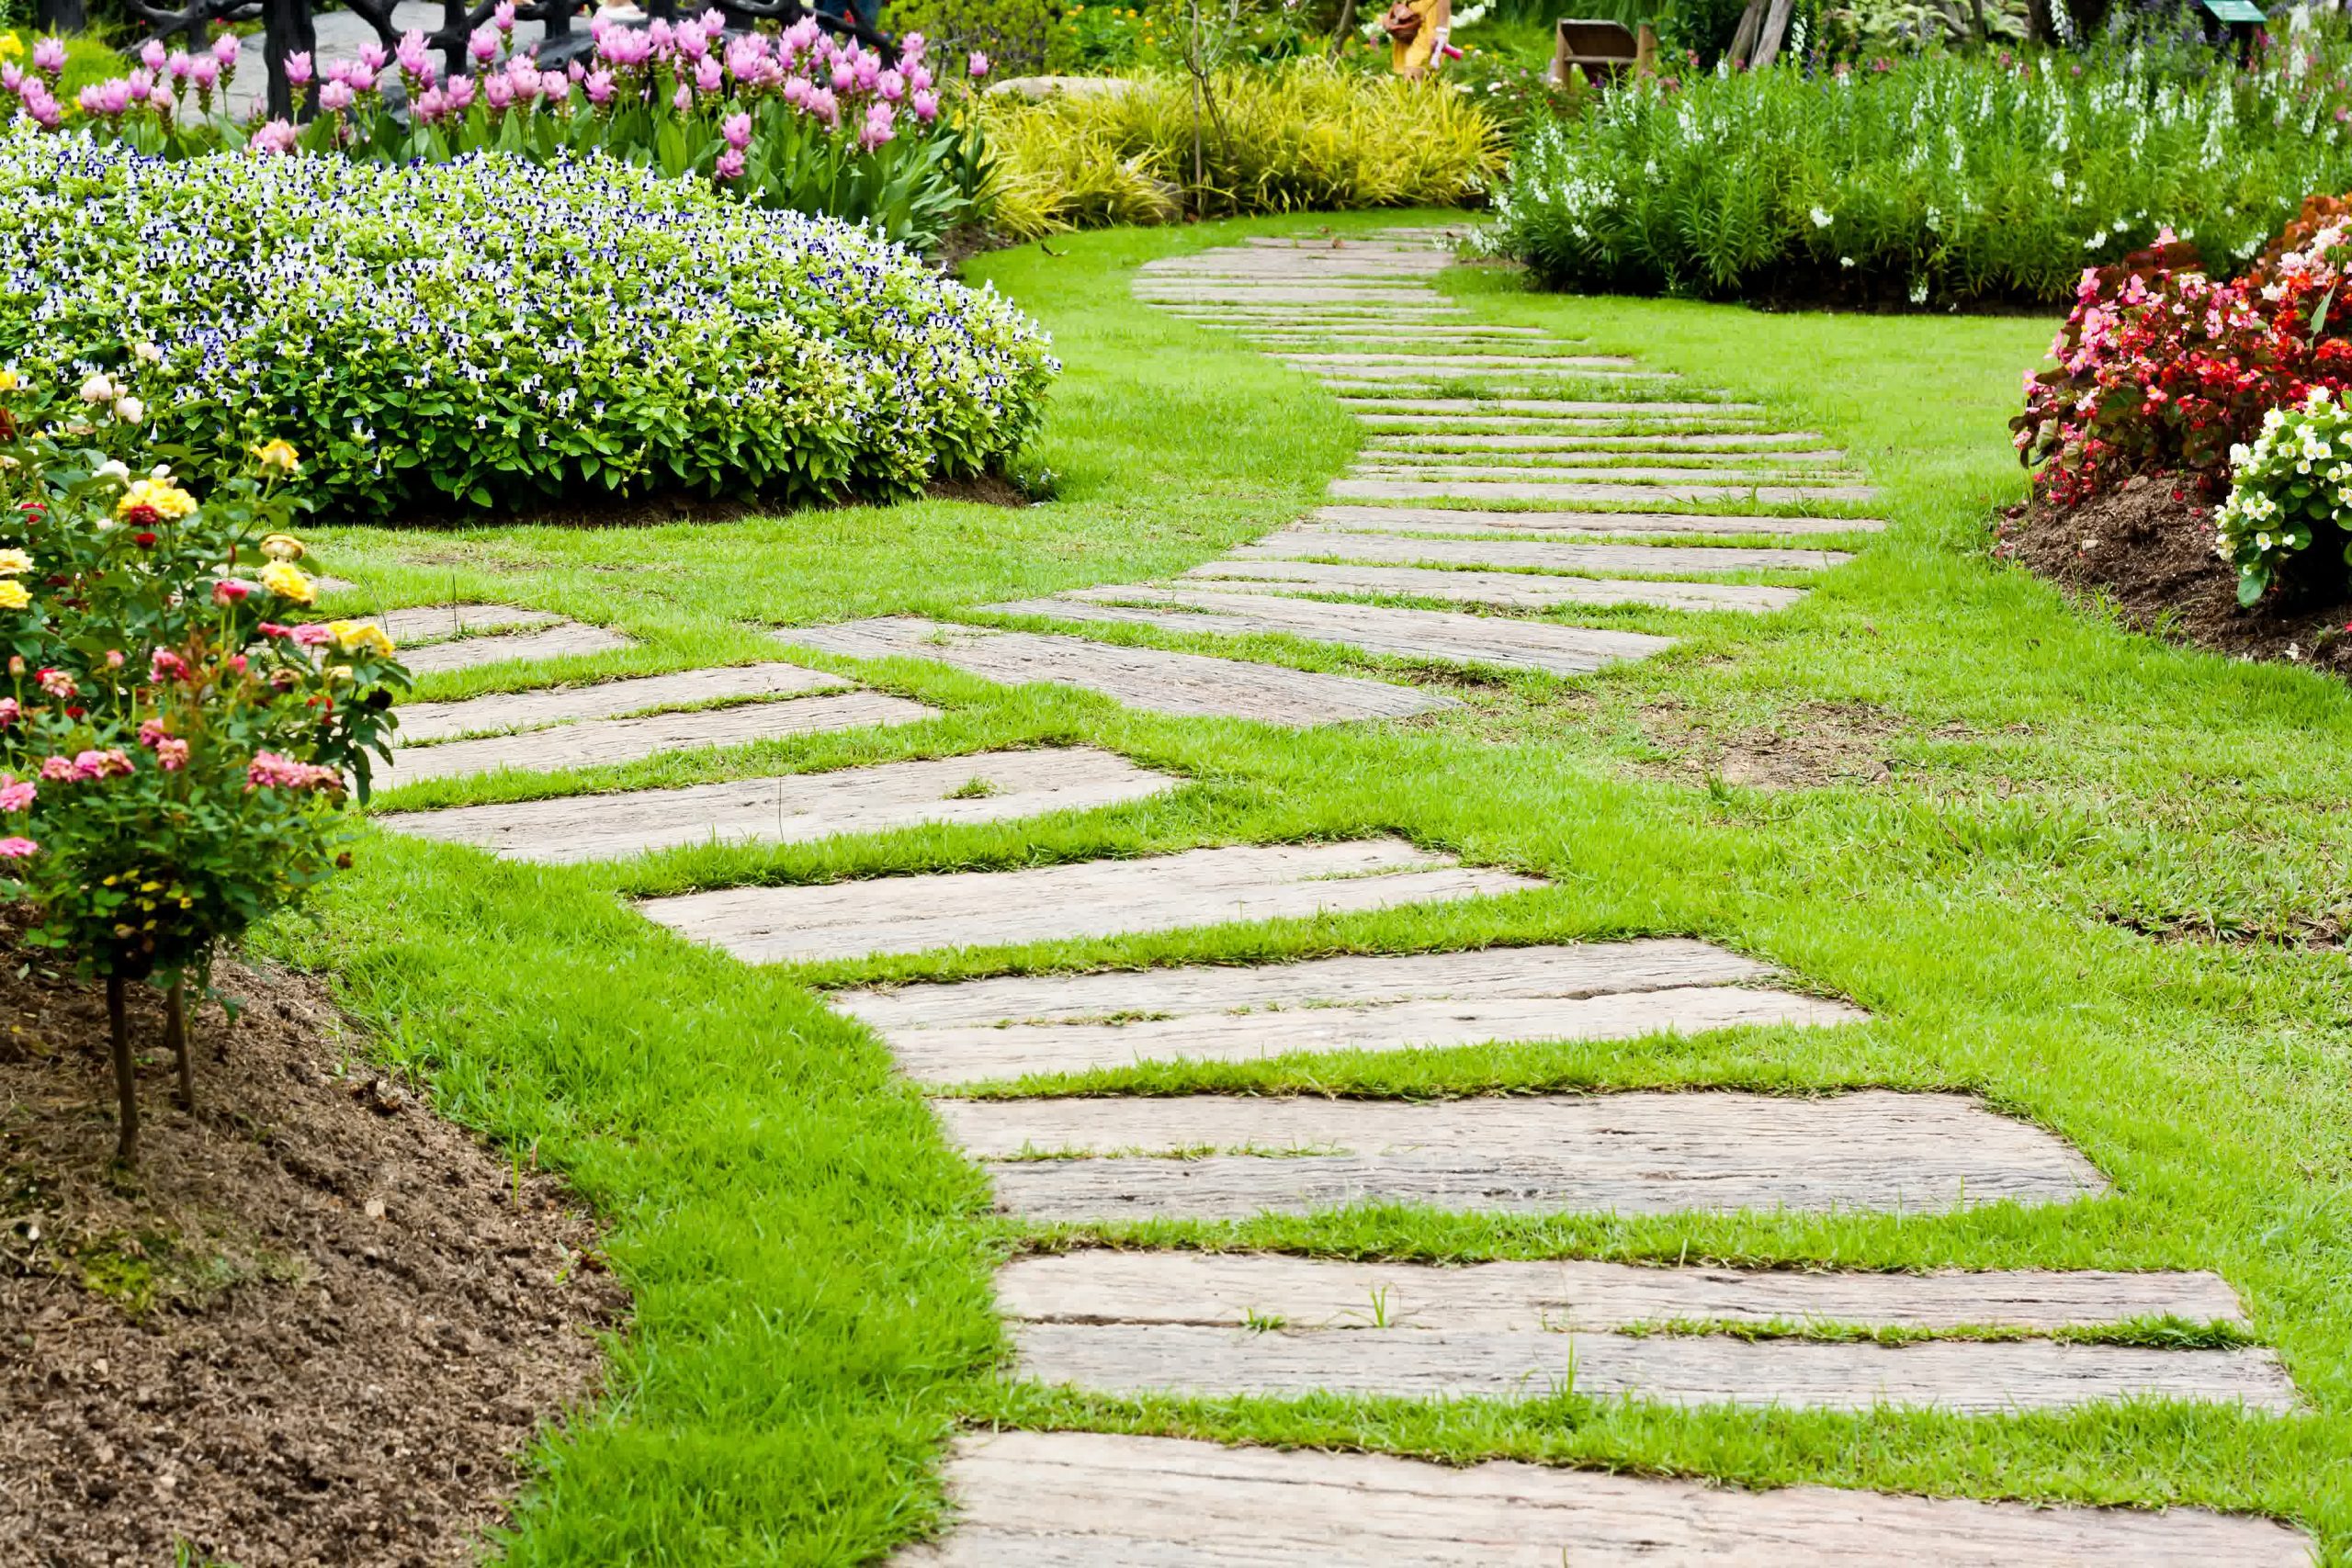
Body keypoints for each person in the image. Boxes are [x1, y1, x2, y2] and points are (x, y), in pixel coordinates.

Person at [1385, 0, 1450, 77]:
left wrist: (1442, 31)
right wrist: (1394, 9)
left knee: (1415, 63)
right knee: (1411, 67)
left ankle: (1419, 86)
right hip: (1408, 14)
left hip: (1430, 14)